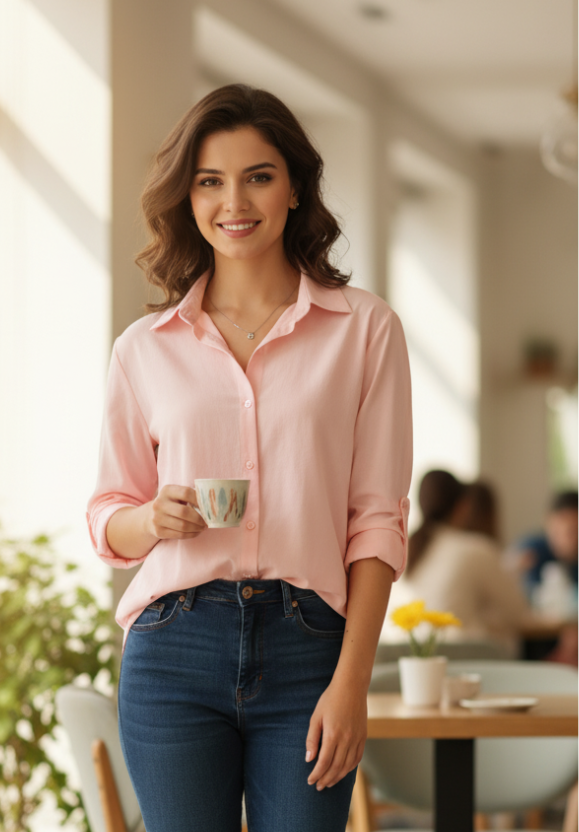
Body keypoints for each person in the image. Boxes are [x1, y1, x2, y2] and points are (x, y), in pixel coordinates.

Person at [86, 84, 412, 832]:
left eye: (258, 176)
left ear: (294, 187)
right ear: (189, 197)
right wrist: (152, 519)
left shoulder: (365, 330)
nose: (234, 202)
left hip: (311, 648)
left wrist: (352, 681)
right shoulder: (144, 349)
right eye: (210, 181)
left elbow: (377, 521)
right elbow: (107, 514)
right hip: (173, 647)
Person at [384, 470, 531, 654]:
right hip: (464, 659)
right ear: (463, 506)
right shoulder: (476, 549)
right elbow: (518, 613)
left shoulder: (402, 547)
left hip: (404, 657)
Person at [510, 490, 578, 606]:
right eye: (558, 532)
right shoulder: (531, 550)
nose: (569, 540)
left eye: (575, 531)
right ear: (548, 523)